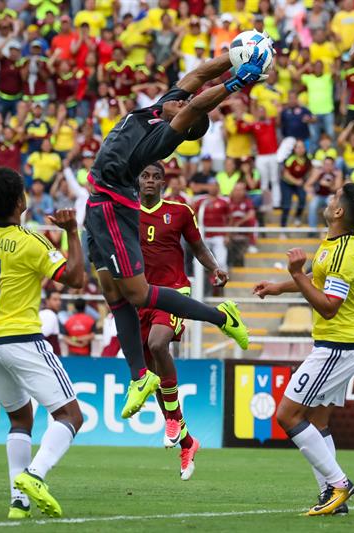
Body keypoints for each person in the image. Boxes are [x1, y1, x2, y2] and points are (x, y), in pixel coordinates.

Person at [83, 49, 264, 418]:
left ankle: (222, 317)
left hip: (114, 206)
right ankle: (138, 377)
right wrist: (233, 55)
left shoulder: (163, 139)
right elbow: (198, 74)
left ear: (183, 119)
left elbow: (195, 103)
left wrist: (235, 84)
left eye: (183, 105)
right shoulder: (159, 109)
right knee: (110, 290)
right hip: (96, 203)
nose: (178, 98)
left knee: (135, 293)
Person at [0, 168, 85, 520]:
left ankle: (18, 505)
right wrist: (71, 232)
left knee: (20, 419)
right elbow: (76, 279)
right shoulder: (31, 240)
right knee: (70, 415)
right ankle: (34, 476)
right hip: (22, 339)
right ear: (19, 202)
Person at [253, 183, 354, 516]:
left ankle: (339, 484)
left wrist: (294, 273)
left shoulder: (344, 253)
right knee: (318, 422)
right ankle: (332, 498)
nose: (328, 199)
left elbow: (328, 306)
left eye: (335, 197)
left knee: (287, 415)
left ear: (339, 212)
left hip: (337, 346)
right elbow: (315, 279)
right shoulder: (335, 243)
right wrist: (281, 285)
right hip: (339, 344)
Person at [138, 162, 228, 480]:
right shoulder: (125, 213)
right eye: (145, 176)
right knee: (152, 374)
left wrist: (214, 268)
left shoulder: (179, 212)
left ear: (164, 182)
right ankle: (187, 442)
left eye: (155, 177)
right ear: (138, 180)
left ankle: (174, 423)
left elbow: (198, 246)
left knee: (158, 343)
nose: (150, 181)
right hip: (139, 298)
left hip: (174, 292)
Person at [39, 290, 63, 355]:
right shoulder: (50, 314)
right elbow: (43, 335)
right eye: (55, 299)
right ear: (47, 301)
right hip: (50, 356)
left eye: (59, 300)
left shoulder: (43, 313)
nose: (58, 302)